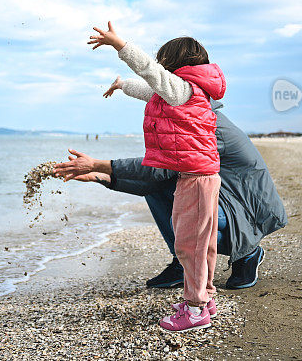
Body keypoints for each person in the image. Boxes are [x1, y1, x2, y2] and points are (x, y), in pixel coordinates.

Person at [84, 21, 226, 332]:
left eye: (164, 61)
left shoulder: (181, 89)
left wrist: (120, 45)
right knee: (204, 244)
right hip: (203, 177)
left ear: (174, 63)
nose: (159, 65)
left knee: (189, 244)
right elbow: (149, 89)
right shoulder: (185, 91)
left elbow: (150, 73)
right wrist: (122, 85)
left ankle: (194, 310)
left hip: (195, 179)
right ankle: (205, 299)